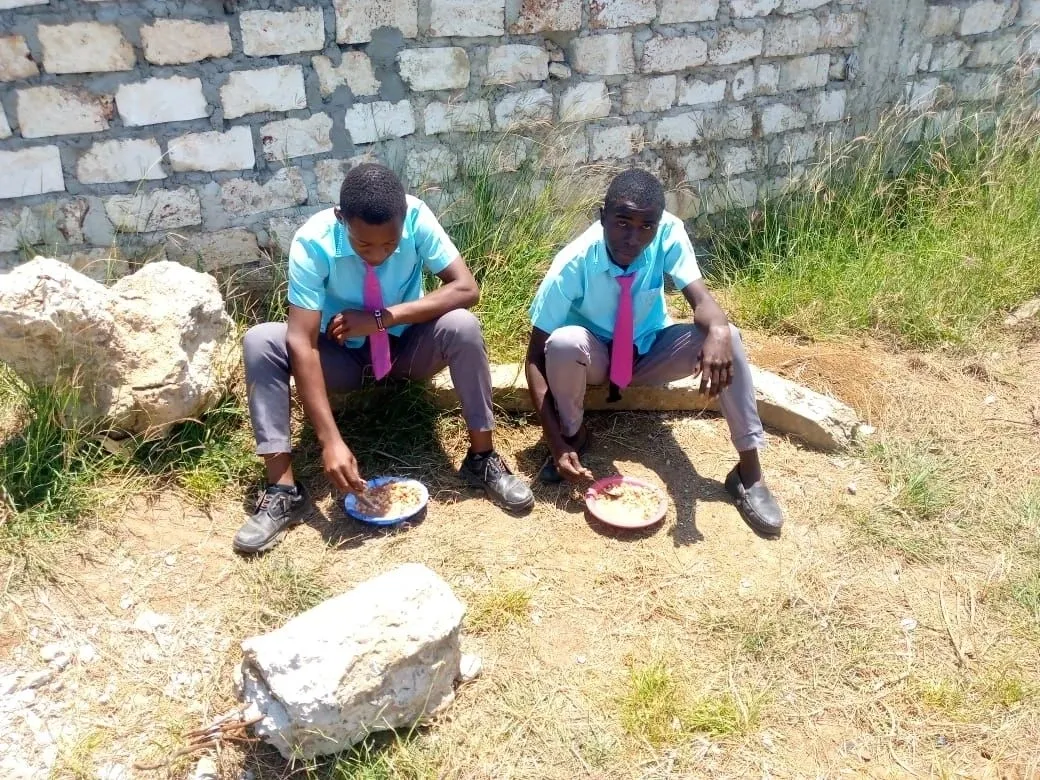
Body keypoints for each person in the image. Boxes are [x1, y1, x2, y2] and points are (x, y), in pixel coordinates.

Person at [235, 163, 534, 554]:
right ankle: (283, 490)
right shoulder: (313, 242)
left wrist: (381, 319)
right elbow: (302, 343)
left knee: (463, 325)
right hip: (340, 359)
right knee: (261, 340)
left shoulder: (417, 216)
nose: (377, 254)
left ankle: (482, 459)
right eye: (364, 245)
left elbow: (466, 288)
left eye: (389, 245)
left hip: (406, 350)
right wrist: (330, 441)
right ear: (342, 220)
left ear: (404, 220)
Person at [524, 168, 783, 536]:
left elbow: (700, 297)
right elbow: (534, 356)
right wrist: (553, 440)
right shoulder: (574, 262)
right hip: (595, 358)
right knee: (563, 343)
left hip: (648, 350)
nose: (633, 237)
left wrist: (720, 329)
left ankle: (748, 473)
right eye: (622, 222)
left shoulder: (669, 233)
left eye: (646, 226)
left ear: (658, 224)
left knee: (729, 336)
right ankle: (573, 439)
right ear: (602, 217)